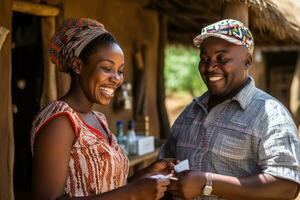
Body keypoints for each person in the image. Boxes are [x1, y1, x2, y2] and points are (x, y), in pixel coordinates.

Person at [31, 18, 172, 200]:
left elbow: (107, 189)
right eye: (107, 68)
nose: (116, 79)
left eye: (120, 71)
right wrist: (134, 193)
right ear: (78, 66)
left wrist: (146, 175)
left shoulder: (98, 119)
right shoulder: (61, 120)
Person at [159, 19, 300, 200]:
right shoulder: (191, 111)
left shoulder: (269, 114)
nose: (210, 67)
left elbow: (286, 187)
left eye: (222, 58)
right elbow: (166, 162)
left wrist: (207, 183)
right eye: (204, 59)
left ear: (247, 61)